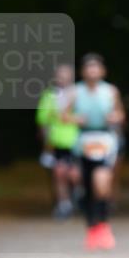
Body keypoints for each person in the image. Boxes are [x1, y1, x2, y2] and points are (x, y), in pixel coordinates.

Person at [66, 53, 126, 250]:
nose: (92, 71)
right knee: (87, 186)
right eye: (88, 67)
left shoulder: (110, 91)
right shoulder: (74, 92)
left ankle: (104, 224)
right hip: (83, 140)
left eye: (96, 67)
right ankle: (92, 228)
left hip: (104, 140)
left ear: (102, 71)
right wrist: (76, 119)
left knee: (102, 183)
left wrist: (115, 117)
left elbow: (120, 114)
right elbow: (62, 115)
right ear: (83, 72)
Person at [35, 64, 80, 218]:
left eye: (66, 74)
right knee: (59, 173)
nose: (63, 78)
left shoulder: (79, 93)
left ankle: (76, 196)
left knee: (75, 174)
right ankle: (64, 203)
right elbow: (43, 121)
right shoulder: (49, 96)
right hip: (57, 142)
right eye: (60, 74)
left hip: (77, 141)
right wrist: (46, 146)